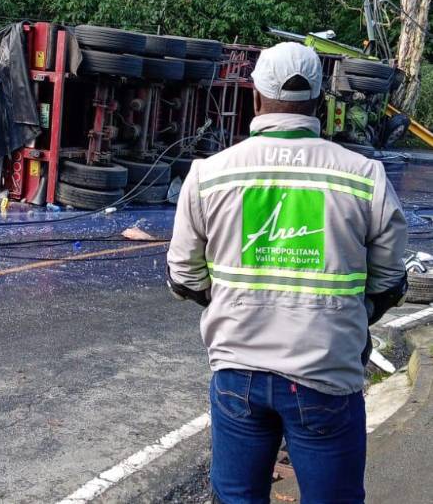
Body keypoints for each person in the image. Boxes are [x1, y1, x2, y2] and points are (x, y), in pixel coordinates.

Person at [166, 42, 408, 504]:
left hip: (238, 372)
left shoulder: (209, 175)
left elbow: (184, 278)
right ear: (319, 101)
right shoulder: (365, 177)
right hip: (326, 374)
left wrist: (232, 301)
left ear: (255, 96)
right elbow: (389, 283)